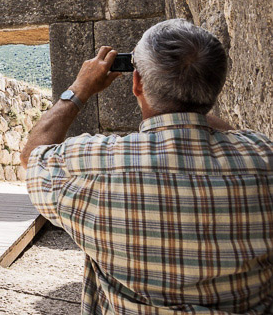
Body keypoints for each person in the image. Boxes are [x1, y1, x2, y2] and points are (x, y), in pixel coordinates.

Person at [21, 19, 273, 313]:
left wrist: (79, 89)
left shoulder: (90, 165)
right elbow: (233, 138)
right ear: (216, 85)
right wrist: (194, 107)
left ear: (137, 82)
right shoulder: (263, 158)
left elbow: (33, 156)